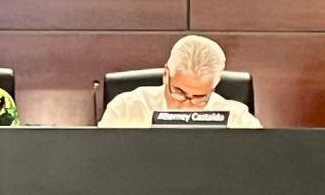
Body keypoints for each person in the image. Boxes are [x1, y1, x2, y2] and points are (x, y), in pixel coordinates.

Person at [98, 34, 262, 128]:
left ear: (214, 87)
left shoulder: (237, 118)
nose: (186, 106)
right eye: (179, 92)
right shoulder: (126, 109)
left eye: (199, 98)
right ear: (165, 75)